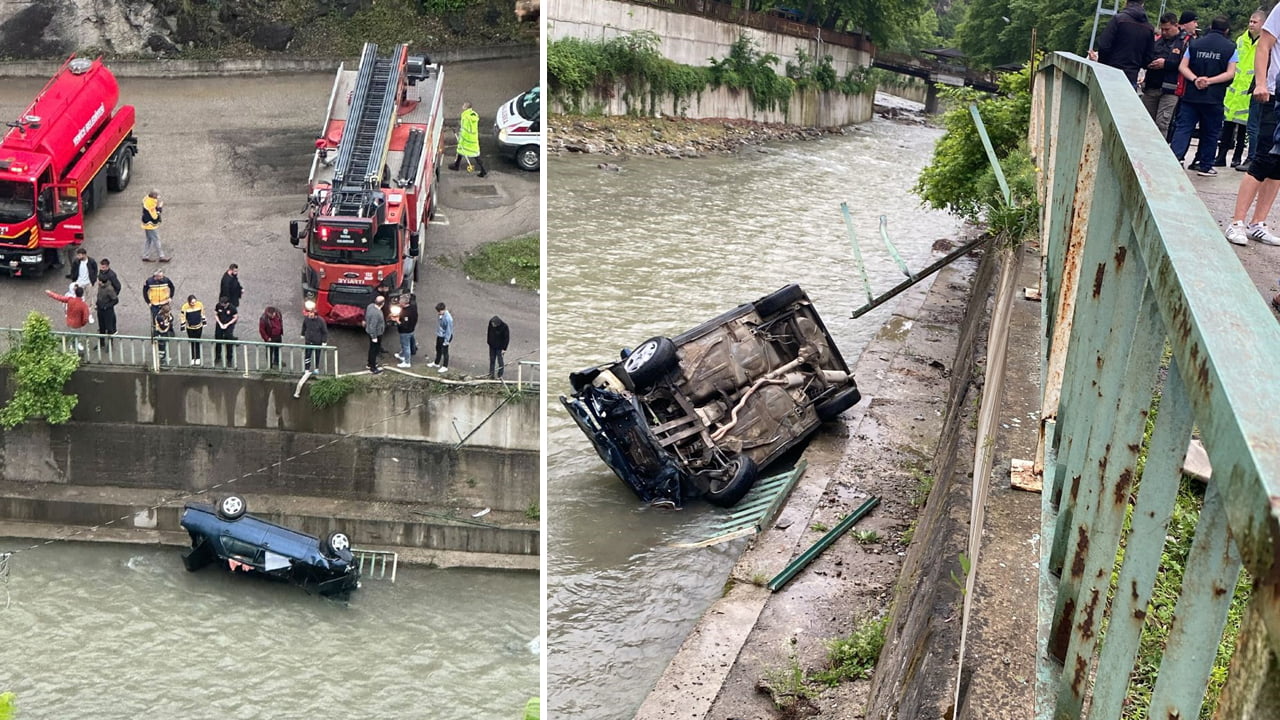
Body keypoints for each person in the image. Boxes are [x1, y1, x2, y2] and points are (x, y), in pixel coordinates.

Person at [1223, 3, 1280, 246]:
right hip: (1275, 93)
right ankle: (1236, 222)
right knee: (1263, 158)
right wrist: (1260, 83)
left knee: (1278, 164)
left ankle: (1258, 223)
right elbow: (1264, 46)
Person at [1171, 16, 1238, 176]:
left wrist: (1196, 79)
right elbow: (1230, 73)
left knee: (1183, 128)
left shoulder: (1195, 44)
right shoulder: (1230, 47)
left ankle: (1174, 158)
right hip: (1213, 97)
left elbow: (1183, 66)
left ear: (1210, 26)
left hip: (1191, 95)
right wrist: (1209, 81)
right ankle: (1205, 165)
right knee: (1211, 132)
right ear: (1226, 30)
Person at [1217, 11, 1262, 168]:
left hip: (1250, 90)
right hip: (1235, 89)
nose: (1251, 24)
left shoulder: (1263, 43)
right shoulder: (1241, 40)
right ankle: (1221, 156)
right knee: (1228, 124)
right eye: (1250, 21)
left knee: (1245, 129)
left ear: (1262, 24)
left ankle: (1238, 157)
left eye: (1255, 22)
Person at [1143, 13, 1192, 138]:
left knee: (1162, 123)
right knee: (1146, 122)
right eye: (1162, 29)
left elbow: (1185, 64)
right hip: (1152, 86)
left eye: (1167, 29)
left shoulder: (1185, 42)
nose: (1164, 32)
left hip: (1171, 89)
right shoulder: (1157, 40)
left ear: (1176, 25)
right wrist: (1150, 63)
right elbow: (1145, 56)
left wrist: (1166, 64)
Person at [1095, 0, 1155, 90]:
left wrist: (1103, 66)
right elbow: (1149, 57)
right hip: (1131, 77)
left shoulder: (1118, 20)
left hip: (1110, 74)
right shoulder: (1149, 28)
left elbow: (1104, 46)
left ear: (1126, 2)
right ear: (1143, 4)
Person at [45, 286, 90, 352]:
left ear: (75, 292)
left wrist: (50, 293)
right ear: (82, 294)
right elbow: (85, 318)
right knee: (78, 334)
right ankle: (77, 346)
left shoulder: (70, 300)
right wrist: (82, 323)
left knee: (71, 333)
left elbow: (59, 297)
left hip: (69, 322)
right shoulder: (83, 305)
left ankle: (72, 345)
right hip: (77, 324)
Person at [448, 102, 488, 178]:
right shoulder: (474, 115)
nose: (462, 106)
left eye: (463, 105)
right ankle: (457, 165)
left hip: (466, 139)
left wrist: (460, 136)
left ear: (466, 107)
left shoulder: (465, 116)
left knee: (463, 151)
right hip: (473, 139)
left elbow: (464, 129)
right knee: (471, 153)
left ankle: (483, 170)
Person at [95, 261, 119, 349]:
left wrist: (107, 306)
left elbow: (115, 300)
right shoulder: (100, 287)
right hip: (100, 309)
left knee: (109, 327)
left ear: (102, 282)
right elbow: (99, 296)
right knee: (101, 327)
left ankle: (110, 343)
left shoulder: (109, 289)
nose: (98, 282)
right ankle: (101, 343)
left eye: (99, 281)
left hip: (107, 310)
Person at [141, 189, 169, 262]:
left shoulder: (146, 199)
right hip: (151, 225)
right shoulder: (151, 204)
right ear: (153, 196)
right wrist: (160, 207)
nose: (157, 198)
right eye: (156, 196)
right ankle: (161, 256)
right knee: (156, 240)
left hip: (145, 223)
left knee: (149, 239)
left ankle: (145, 255)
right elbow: (155, 216)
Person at [301, 304, 329, 374]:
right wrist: (302, 334)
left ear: (315, 314)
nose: (310, 315)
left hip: (317, 341)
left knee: (317, 355)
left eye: (311, 314)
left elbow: (324, 332)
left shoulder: (321, 321)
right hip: (308, 340)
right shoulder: (306, 319)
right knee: (307, 355)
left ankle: (316, 368)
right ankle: (307, 369)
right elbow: (304, 327)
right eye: (309, 313)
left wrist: (324, 341)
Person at [180, 294, 207, 366]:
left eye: (194, 302)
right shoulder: (185, 307)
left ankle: (198, 358)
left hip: (199, 327)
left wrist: (204, 322)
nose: (193, 304)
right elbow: (183, 316)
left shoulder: (199, 304)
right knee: (192, 343)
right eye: (192, 303)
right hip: (190, 328)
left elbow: (202, 313)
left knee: (197, 342)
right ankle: (192, 358)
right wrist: (183, 326)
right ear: (189, 302)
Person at [214, 296, 239, 368]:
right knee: (218, 340)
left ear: (227, 303)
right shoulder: (218, 305)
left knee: (228, 341)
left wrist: (227, 324)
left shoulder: (232, 308)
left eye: (223, 304)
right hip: (220, 324)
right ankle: (218, 357)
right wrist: (220, 323)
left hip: (229, 325)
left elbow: (235, 317)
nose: (221, 305)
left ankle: (229, 359)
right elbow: (215, 314)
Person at [394, 294, 418, 369]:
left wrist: (397, 320)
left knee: (406, 346)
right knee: (408, 344)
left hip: (405, 332)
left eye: (400, 301)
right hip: (411, 330)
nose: (399, 302)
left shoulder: (406, 313)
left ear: (404, 303)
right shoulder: (413, 307)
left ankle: (407, 362)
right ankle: (402, 355)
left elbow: (404, 325)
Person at [364, 296, 387, 374]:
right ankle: (373, 367)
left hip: (370, 332)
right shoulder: (377, 313)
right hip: (376, 334)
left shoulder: (370, 306)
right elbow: (373, 326)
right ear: (382, 303)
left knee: (372, 349)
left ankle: (370, 363)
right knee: (374, 350)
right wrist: (374, 337)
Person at [429, 302, 453, 373]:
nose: (438, 313)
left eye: (439, 311)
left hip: (445, 336)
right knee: (438, 349)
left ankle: (445, 366)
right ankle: (436, 363)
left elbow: (449, 331)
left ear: (443, 309)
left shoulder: (448, 319)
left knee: (445, 351)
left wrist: (446, 341)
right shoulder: (441, 315)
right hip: (440, 335)